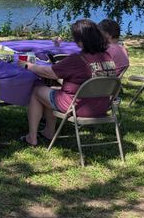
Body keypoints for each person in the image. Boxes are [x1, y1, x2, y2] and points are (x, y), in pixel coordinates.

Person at [18, 19, 117, 147]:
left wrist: (29, 66)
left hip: (78, 107)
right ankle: (49, 131)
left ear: (81, 42)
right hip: (102, 106)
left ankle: (32, 137)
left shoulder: (78, 59)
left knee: (37, 91)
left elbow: (50, 72)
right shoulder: (107, 57)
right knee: (51, 90)